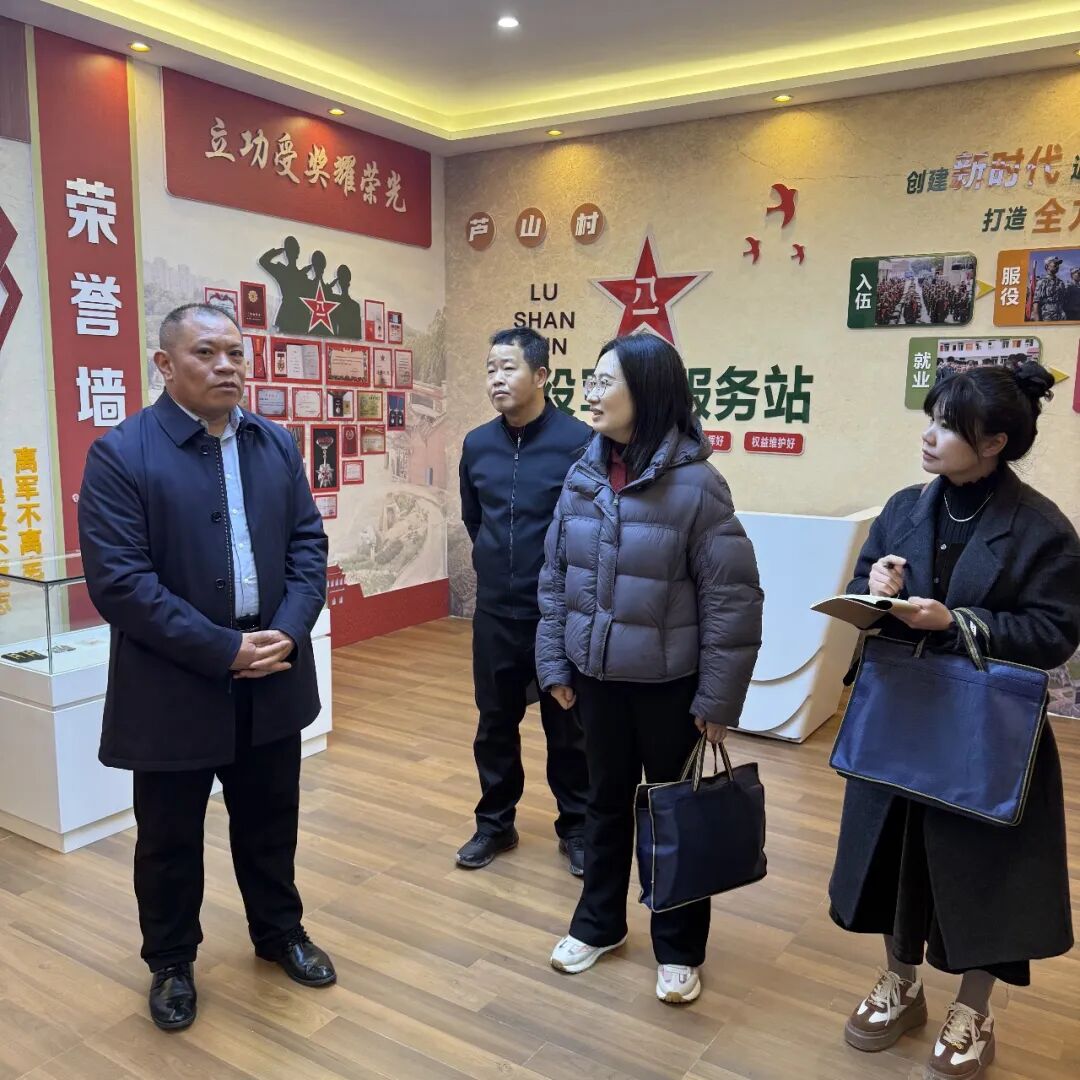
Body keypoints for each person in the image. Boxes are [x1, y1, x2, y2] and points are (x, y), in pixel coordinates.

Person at [78, 304, 335, 1034]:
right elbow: (121, 583)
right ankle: (169, 962)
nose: (227, 366)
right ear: (165, 364)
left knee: (270, 819)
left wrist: (288, 631)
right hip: (175, 684)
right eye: (206, 353)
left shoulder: (273, 443)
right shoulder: (122, 454)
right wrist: (223, 649)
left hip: (272, 672)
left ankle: (279, 931)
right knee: (168, 837)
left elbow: (307, 546)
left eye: (235, 352)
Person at [830, 361, 1080, 1079]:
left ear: (994, 442)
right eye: (931, 419)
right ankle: (900, 983)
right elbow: (863, 583)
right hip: (902, 719)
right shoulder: (905, 506)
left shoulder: (1042, 528)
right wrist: (876, 587)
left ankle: (973, 1009)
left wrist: (957, 621)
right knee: (891, 859)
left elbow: (1055, 633)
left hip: (985, 732)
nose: (929, 436)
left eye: (948, 427)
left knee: (982, 876)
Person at [536, 333, 763, 1004]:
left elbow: (731, 600)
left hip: (671, 690)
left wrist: (718, 701)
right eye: (591, 380)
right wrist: (555, 661)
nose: (590, 393)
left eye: (605, 382)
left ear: (649, 393)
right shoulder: (581, 475)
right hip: (596, 682)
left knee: (675, 815)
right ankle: (599, 924)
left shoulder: (698, 485)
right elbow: (555, 578)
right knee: (603, 806)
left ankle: (679, 947)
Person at [456, 327, 591, 873]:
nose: (497, 379)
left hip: (557, 614)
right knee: (494, 724)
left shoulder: (580, 442)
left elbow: (590, 527)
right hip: (494, 611)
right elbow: (474, 519)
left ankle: (577, 827)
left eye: (508, 368)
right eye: (491, 369)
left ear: (541, 375)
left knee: (569, 728)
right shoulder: (477, 445)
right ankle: (495, 824)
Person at [1031, 256, 1067, 321]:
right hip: (1047, 316)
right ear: (1047, 266)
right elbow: (1036, 303)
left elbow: (1063, 300)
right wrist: (1037, 322)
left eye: (1058, 264)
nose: (1057, 266)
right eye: (1055, 264)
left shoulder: (1061, 282)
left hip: (1060, 316)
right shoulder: (1042, 282)